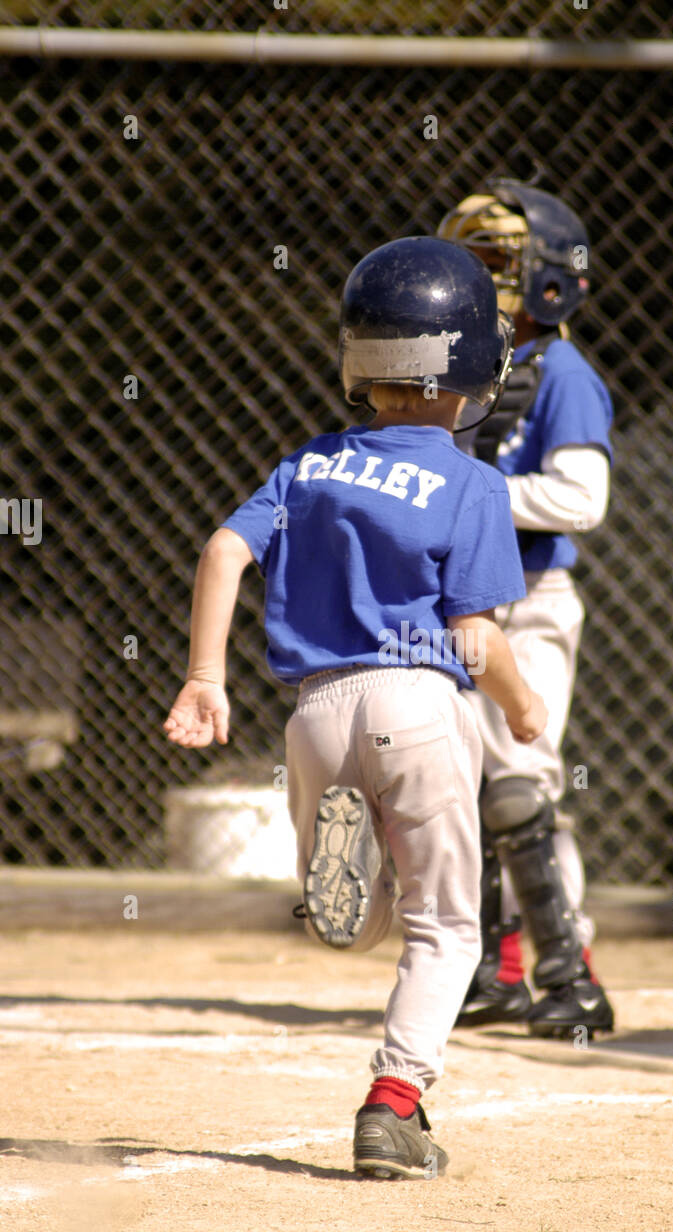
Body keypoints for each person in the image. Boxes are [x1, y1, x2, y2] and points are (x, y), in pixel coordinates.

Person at [163, 236, 547, 1179]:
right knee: (449, 924)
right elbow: (476, 639)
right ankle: (394, 1104)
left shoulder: (307, 466)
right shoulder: (472, 483)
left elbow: (221, 551)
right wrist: (526, 709)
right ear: (462, 371)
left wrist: (204, 678)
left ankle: (351, 894)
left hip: (316, 713)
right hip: (421, 705)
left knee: (361, 918)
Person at [437, 180, 615, 1040]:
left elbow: (583, 497)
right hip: (465, 606)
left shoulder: (564, 373)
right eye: (467, 263)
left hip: (533, 601)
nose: (479, 281)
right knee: (465, 787)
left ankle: (569, 972)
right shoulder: (465, 372)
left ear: (550, 279)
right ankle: (492, 972)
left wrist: (475, 493)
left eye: (497, 264)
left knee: (519, 785)